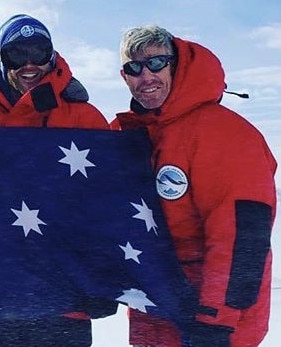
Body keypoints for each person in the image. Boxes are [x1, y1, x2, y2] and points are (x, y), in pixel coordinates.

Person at [0, 14, 116, 347]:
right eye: (17, 54)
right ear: (2, 60)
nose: (29, 64)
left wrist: (103, 277)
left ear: (52, 55)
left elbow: (109, 205)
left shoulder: (84, 117)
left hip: (64, 299)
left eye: (39, 51)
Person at [111, 25, 277, 347]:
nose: (146, 77)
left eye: (157, 63)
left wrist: (216, 319)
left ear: (176, 64)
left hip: (215, 321)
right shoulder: (126, 136)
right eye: (134, 68)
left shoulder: (225, 133)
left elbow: (242, 236)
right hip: (154, 316)